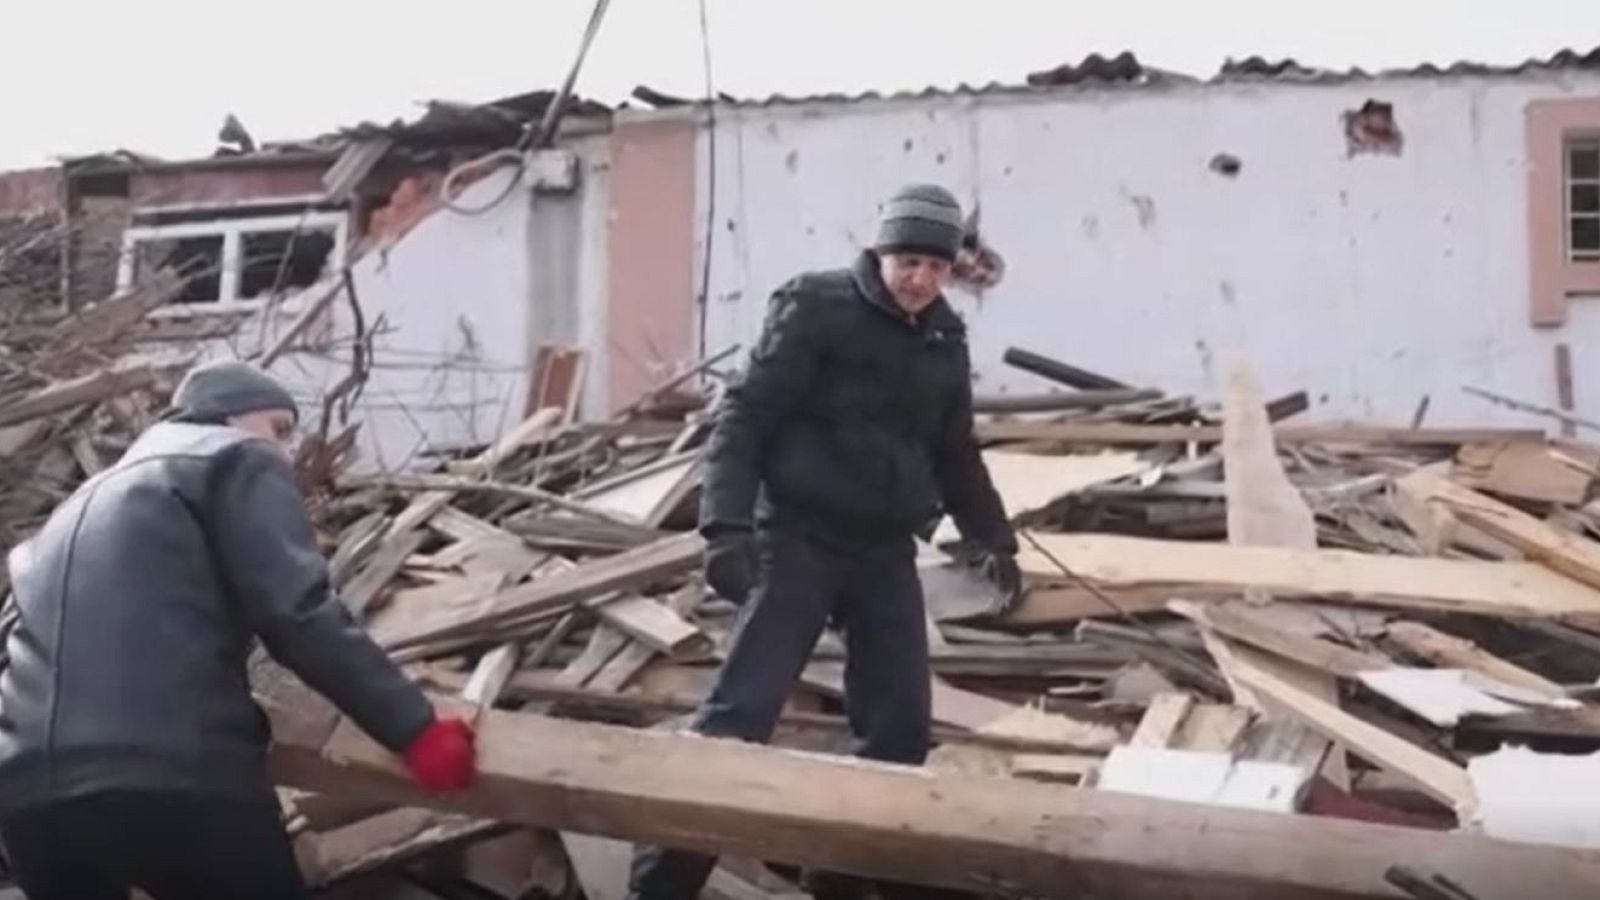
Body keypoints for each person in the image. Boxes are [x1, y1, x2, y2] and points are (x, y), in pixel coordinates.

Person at [627, 184, 1022, 900]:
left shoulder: (943, 336)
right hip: (800, 535)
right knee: (740, 717)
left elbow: (954, 449)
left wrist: (994, 536)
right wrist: (725, 526)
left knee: (900, 731)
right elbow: (745, 416)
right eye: (908, 262)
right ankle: (659, 889)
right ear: (880, 251)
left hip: (883, 549)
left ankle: (841, 881)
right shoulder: (816, 306)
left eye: (936, 268)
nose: (920, 281)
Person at [0, 359, 477, 900]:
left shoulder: (68, 514)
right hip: (175, 782)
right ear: (227, 418)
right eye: (279, 429)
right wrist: (415, 729)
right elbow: (297, 612)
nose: (286, 451)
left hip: (30, 800)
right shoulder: (230, 458)